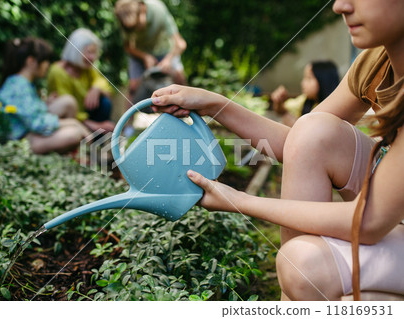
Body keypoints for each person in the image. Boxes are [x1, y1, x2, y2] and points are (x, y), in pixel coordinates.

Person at [151, 0, 404, 301]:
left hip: (380, 218)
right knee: (314, 129)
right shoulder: (376, 62)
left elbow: (368, 223)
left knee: (302, 264)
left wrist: (240, 200)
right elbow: (300, 143)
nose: (340, 6)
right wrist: (214, 104)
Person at [0, 37, 90, 154]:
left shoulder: (21, 82)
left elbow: (28, 112)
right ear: (31, 61)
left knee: (68, 102)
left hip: (27, 132)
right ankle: (69, 153)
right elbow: (36, 123)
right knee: (74, 133)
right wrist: (73, 122)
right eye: (45, 60)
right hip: (17, 142)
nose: (47, 65)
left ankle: (70, 152)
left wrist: (44, 103)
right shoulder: (19, 87)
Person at [114, 0, 187, 104]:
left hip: (165, 50)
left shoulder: (158, 10)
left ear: (142, 8)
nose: (136, 30)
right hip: (140, 52)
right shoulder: (124, 16)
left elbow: (181, 44)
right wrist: (144, 57)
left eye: (138, 24)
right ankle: (127, 120)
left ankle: (188, 116)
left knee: (180, 79)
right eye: (132, 29)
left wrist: (168, 60)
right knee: (133, 88)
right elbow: (128, 47)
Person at [47, 28, 115, 132]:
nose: (92, 57)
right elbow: (67, 110)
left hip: (85, 115)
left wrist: (96, 88)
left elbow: (105, 86)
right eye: (88, 52)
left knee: (104, 102)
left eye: (94, 53)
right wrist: (97, 125)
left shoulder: (86, 69)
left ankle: (99, 139)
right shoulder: (58, 72)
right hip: (69, 119)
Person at [271, 61, 339, 126]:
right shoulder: (305, 100)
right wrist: (279, 102)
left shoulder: (332, 111)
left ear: (323, 81)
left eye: (308, 78)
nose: (303, 83)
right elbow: (281, 110)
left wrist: (286, 114)